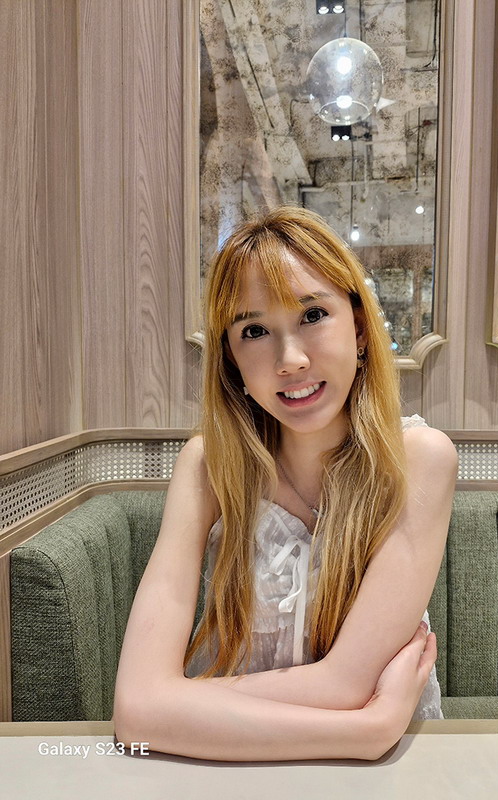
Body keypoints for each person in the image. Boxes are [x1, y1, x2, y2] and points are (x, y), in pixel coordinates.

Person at [113, 205, 458, 762]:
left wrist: (172, 705)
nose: (290, 360)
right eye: (254, 331)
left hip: (380, 775)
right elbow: (135, 714)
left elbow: (345, 685)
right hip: (228, 763)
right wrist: (369, 729)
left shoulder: (417, 459)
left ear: (360, 327)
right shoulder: (207, 467)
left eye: (313, 315)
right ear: (231, 358)